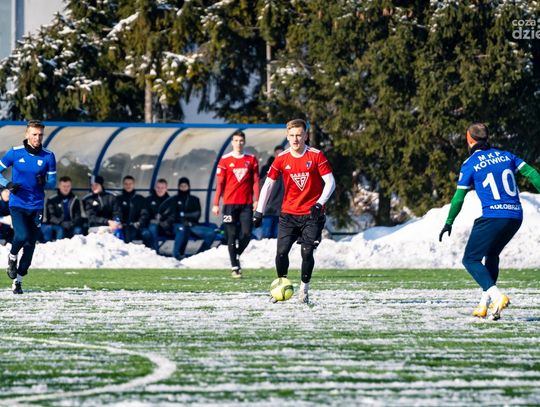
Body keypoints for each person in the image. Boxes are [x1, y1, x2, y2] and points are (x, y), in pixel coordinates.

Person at [439, 123, 540, 320]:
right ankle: (484, 305)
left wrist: (449, 221)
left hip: (493, 216)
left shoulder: (470, 163)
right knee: (492, 254)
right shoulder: (506, 155)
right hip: (515, 216)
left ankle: (497, 297)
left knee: (470, 259)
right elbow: (532, 174)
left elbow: (458, 198)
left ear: (469, 140)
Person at [254, 119, 335, 304]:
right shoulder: (281, 158)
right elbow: (268, 184)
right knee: (281, 253)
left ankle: (304, 290)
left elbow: (330, 182)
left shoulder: (316, 156)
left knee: (307, 252)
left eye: (299, 135)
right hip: (288, 215)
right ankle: (280, 286)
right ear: (287, 136)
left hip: (312, 215)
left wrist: (319, 204)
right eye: (292, 135)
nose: (295, 139)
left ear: (306, 135)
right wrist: (259, 211)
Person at [0, 120, 57, 294]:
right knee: (22, 235)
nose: (37, 138)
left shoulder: (48, 156)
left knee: (31, 245)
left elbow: (52, 182)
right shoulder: (14, 153)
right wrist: (8, 184)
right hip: (18, 204)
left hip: (37, 206)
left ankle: (18, 281)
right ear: (27, 134)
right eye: (34, 134)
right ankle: (12, 256)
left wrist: (44, 182)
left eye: (40, 135)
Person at [212, 130, 260, 278]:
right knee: (231, 235)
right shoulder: (225, 160)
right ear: (232, 142)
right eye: (236, 141)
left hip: (246, 204)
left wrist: (257, 199)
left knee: (246, 234)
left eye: (241, 141)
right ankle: (235, 267)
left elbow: (255, 181)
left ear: (244, 142)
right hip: (229, 205)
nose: (238, 143)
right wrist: (216, 203)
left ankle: (236, 254)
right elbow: (220, 184)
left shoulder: (251, 159)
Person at [159, 177, 216, 260]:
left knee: (211, 233)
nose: (183, 188)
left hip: (192, 225)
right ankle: (177, 255)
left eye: (185, 186)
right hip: (178, 226)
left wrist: (182, 215)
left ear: (188, 187)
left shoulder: (194, 199)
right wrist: (183, 217)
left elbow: (197, 214)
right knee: (182, 229)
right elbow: (170, 214)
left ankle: (199, 254)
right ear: (178, 187)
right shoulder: (173, 199)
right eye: (181, 186)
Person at [255, 145, 285, 239]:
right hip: (269, 206)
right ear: (274, 154)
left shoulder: (288, 168)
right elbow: (261, 184)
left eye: (282, 154)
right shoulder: (267, 168)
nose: (279, 156)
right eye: (278, 154)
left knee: (278, 235)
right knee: (266, 234)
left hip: (282, 207)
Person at [42, 175, 83, 242]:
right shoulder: (52, 200)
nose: (66, 188)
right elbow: (51, 217)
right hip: (57, 225)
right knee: (60, 230)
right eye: (64, 186)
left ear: (71, 187)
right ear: (59, 186)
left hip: (71, 225)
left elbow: (78, 216)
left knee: (78, 230)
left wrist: (71, 223)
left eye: (68, 186)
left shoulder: (75, 200)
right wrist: (61, 223)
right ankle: (59, 247)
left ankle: (76, 247)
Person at [116, 175, 152, 246]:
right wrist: (120, 222)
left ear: (133, 184)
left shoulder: (140, 198)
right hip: (123, 226)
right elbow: (117, 212)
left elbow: (144, 213)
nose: (128, 186)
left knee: (146, 234)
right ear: (123, 185)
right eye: (126, 184)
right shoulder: (118, 199)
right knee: (127, 234)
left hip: (137, 226)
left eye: (130, 184)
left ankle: (149, 251)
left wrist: (140, 223)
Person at [144, 178, 170, 252]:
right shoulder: (149, 199)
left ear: (166, 189)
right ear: (155, 188)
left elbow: (172, 215)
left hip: (165, 226)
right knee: (152, 227)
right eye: (158, 187)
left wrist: (162, 221)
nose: (160, 190)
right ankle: (154, 252)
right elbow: (145, 213)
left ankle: (153, 251)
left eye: (162, 188)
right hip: (152, 225)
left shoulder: (170, 201)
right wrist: (151, 219)